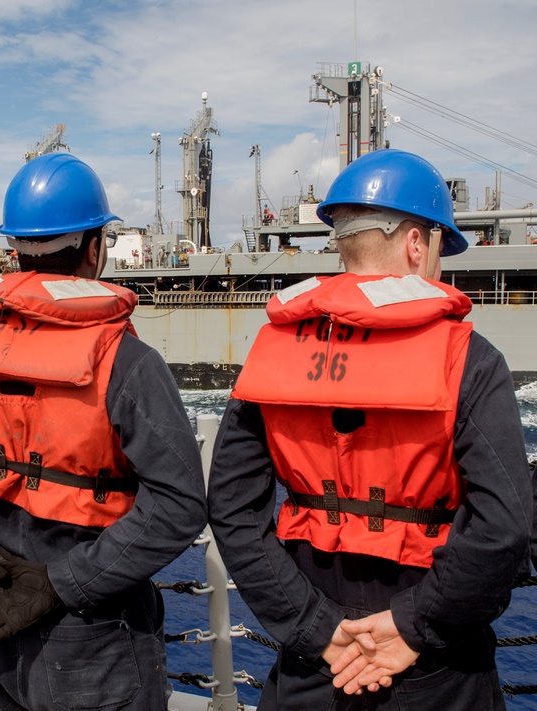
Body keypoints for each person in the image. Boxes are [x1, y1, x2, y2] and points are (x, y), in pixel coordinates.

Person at [207, 149, 533, 710]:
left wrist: (316, 630)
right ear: (415, 242)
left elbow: (232, 511)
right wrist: (412, 627)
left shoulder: (273, 355)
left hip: (314, 664)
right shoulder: (471, 359)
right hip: (437, 667)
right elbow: (504, 528)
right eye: (438, 247)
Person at [0, 153, 208, 709]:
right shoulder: (128, 361)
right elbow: (179, 504)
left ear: (14, 248)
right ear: (95, 248)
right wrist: (61, 582)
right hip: (97, 634)